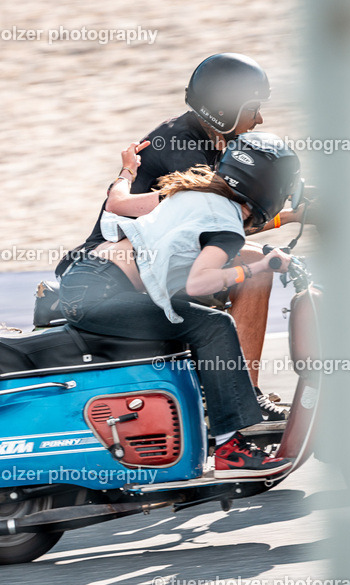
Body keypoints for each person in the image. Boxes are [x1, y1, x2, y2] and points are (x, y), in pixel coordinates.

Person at [55, 53, 303, 420]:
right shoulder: (182, 147)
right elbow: (219, 223)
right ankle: (244, 397)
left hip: (135, 262)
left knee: (242, 266)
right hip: (116, 267)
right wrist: (291, 216)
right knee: (255, 268)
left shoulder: (202, 139)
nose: (260, 119)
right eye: (254, 108)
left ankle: (224, 394)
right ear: (227, 108)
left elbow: (231, 208)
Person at [58, 133, 303, 478]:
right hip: (101, 295)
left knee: (194, 320)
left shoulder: (190, 192)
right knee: (215, 326)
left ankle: (205, 421)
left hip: (83, 279)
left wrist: (127, 170)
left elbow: (116, 203)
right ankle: (231, 450)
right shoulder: (226, 228)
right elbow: (199, 283)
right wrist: (260, 267)